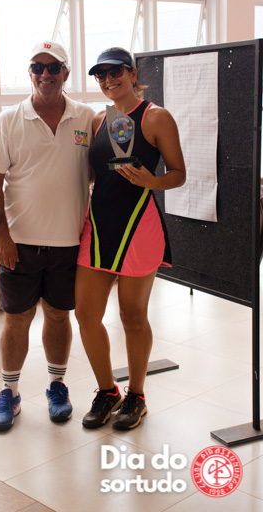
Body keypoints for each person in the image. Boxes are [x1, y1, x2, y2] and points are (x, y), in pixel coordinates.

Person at [0, 40, 95, 431]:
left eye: (53, 67)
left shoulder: (85, 117)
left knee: (59, 316)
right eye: (37, 67)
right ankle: (9, 393)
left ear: (66, 72)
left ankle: (57, 387)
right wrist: (1, 236)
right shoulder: (8, 121)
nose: (46, 74)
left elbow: (97, 171)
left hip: (68, 242)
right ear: (30, 73)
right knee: (16, 319)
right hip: (20, 244)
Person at [75, 47, 186, 431]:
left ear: (133, 73)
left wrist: (152, 181)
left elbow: (179, 173)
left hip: (139, 226)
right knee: (86, 315)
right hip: (98, 226)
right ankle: (108, 392)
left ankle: (136, 395)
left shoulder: (156, 117)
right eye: (100, 75)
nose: (108, 80)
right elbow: (95, 174)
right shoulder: (97, 120)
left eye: (115, 72)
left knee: (132, 316)